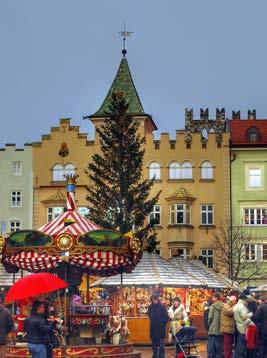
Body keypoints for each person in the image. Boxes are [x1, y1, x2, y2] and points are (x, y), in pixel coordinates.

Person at [148, 294, 169, 358]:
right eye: (153, 299)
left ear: (157, 299)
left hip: (160, 328)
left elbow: (167, 318)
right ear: (151, 299)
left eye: (156, 299)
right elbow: (149, 316)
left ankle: (161, 356)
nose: (155, 301)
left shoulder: (162, 307)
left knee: (161, 344)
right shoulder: (150, 307)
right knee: (154, 344)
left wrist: (162, 323)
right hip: (153, 328)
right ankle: (155, 355)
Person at [233, 293, 253, 358]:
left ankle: (237, 354)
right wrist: (250, 314)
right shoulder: (242, 306)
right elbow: (244, 316)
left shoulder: (236, 306)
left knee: (239, 341)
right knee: (241, 342)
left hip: (238, 325)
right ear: (244, 299)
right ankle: (239, 355)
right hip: (243, 326)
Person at [207, 292, 224, 358]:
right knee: (220, 340)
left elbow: (210, 317)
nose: (212, 298)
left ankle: (212, 354)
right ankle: (220, 354)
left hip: (214, 326)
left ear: (216, 298)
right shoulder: (224, 305)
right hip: (221, 325)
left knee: (213, 340)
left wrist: (209, 323)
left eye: (213, 297)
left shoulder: (213, 306)